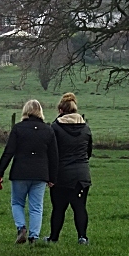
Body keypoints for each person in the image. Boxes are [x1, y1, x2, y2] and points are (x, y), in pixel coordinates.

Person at [0, 99, 58, 244]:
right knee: (36, 207)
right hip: (41, 173)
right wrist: (52, 177)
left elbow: (8, 152)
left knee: (17, 203)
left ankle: (21, 228)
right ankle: (34, 236)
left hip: (20, 172)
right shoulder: (48, 130)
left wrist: (0, 172)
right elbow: (54, 157)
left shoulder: (18, 128)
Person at [46, 93, 93, 245]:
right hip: (82, 174)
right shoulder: (85, 128)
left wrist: (51, 176)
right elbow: (89, 152)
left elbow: (52, 153)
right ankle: (82, 237)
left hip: (61, 175)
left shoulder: (55, 128)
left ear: (60, 110)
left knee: (58, 209)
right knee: (80, 207)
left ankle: (53, 238)